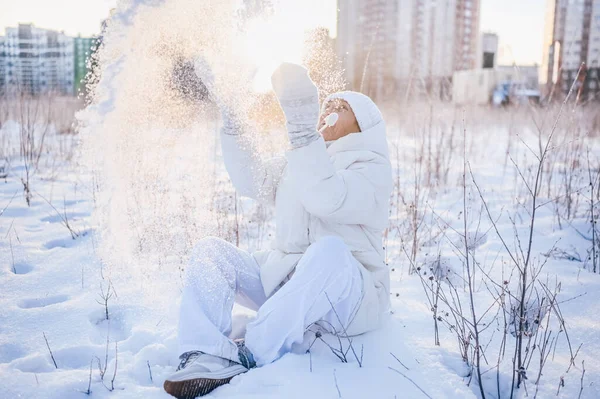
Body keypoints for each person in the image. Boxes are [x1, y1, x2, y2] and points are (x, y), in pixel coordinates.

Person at [163, 62, 393, 399]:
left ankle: (252, 350)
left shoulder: (371, 167)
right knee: (211, 252)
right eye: (327, 103)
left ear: (363, 126)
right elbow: (250, 179)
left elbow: (326, 197)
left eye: (342, 107)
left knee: (331, 251)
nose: (329, 108)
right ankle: (202, 352)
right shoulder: (300, 158)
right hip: (290, 283)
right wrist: (233, 115)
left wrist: (302, 134)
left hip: (349, 298)